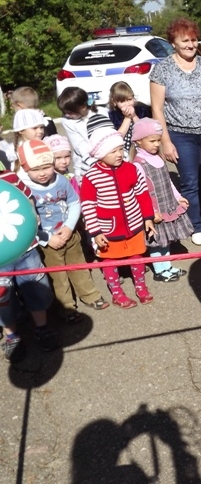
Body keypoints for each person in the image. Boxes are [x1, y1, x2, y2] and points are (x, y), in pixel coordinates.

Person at [150, 18, 201, 247]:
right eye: (185, 41)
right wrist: (166, 142)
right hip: (180, 135)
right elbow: (157, 108)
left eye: (194, 40)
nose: (191, 45)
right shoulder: (162, 69)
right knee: (191, 181)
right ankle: (198, 225)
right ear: (173, 43)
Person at [18, 140, 109, 323]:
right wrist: (46, 238)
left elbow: (74, 202)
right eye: (36, 169)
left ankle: (90, 294)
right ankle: (66, 307)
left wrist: (69, 226)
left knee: (79, 267)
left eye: (47, 167)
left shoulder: (60, 180)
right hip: (47, 242)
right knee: (58, 276)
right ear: (25, 168)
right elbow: (26, 222)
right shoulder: (24, 190)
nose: (42, 173)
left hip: (69, 233)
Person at [80, 128, 157, 308]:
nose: (119, 154)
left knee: (137, 255)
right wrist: (96, 231)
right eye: (112, 151)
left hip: (134, 223)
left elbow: (142, 194)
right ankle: (117, 292)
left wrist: (148, 217)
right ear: (100, 154)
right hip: (108, 229)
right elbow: (88, 205)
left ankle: (141, 287)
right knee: (109, 260)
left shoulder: (131, 169)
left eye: (120, 149)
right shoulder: (91, 176)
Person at [0, 168, 59, 362]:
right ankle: (11, 336)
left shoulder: (8, 177)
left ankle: (42, 328)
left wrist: (34, 217)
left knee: (36, 288)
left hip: (26, 248)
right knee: (3, 299)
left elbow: (28, 199)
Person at [131, 118, 193, 282]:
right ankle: (159, 269)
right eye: (152, 141)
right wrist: (150, 213)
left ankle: (167, 266)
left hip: (168, 205)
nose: (157, 144)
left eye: (158, 140)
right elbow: (140, 192)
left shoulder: (158, 159)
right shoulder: (139, 164)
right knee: (156, 241)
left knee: (165, 240)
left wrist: (178, 197)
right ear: (138, 141)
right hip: (154, 209)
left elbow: (169, 182)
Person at [58, 87, 112, 183]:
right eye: (64, 112)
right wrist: (95, 164)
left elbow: (110, 136)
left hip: (109, 156)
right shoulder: (67, 121)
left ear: (83, 107)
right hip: (85, 164)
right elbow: (79, 145)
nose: (67, 115)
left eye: (70, 112)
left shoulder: (101, 112)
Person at [107, 81, 152, 157]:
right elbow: (118, 137)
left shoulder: (141, 110)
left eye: (129, 99)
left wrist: (134, 116)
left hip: (141, 150)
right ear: (114, 102)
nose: (127, 104)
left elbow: (146, 132)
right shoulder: (113, 116)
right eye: (122, 101)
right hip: (123, 152)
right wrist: (127, 118)